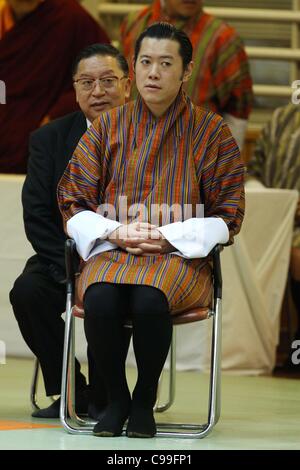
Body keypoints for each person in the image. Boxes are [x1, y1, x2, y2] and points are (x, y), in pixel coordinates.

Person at [58, 22, 245, 438]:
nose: (154, 73)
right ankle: (118, 399)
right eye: (145, 62)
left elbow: (228, 213)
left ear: (186, 71)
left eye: (165, 63)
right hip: (113, 248)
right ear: (135, 69)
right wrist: (118, 232)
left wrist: (167, 237)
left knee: (148, 298)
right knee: (102, 298)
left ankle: (144, 399)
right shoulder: (107, 127)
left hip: (178, 257)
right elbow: (73, 202)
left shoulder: (211, 132)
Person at [9, 44, 131, 419]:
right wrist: (70, 267)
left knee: (106, 295)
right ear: (75, 89)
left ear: (128, 87)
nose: (98, 91)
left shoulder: (150, 137)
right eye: (87, 82)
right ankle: (70, 389)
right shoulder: (49, 139)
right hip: (65, 256)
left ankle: (109, 394)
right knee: (27, 291)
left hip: (129, 257)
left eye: (108, 81)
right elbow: (37, 215)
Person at [121, 0, 253, 150]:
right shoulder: (134, 23)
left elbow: (238, 108)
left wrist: (226, 161)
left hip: (194, 150)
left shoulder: (222, 38)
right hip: (132, 145)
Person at [0, 0, 110, 174]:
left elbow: (104, 75)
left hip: (49, 151)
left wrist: (58, 115)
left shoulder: (71, 18)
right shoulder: (2, 21)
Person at [247, 104, 300, 371]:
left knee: (297, 257)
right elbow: (254, 170)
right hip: (275, 220)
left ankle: (296, 347)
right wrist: (272, 202)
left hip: (295, 228)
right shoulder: (282, 117)